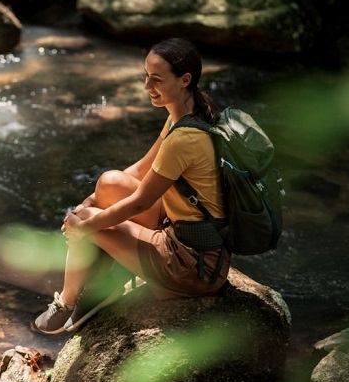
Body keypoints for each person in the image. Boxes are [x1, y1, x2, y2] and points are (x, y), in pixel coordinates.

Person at [33, 37, 230, 334]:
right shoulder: (190, 113)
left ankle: (70, 304)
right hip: (189, 237)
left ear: (184, 79)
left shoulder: (184, 139)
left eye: (156, 79)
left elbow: (139, 201)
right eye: (146, 76)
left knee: (87, 223)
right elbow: (141, 169)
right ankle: (100, 285)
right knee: (109, 183)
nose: (147, 86)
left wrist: (85, 224)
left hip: (191, 266)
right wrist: (91, 200)